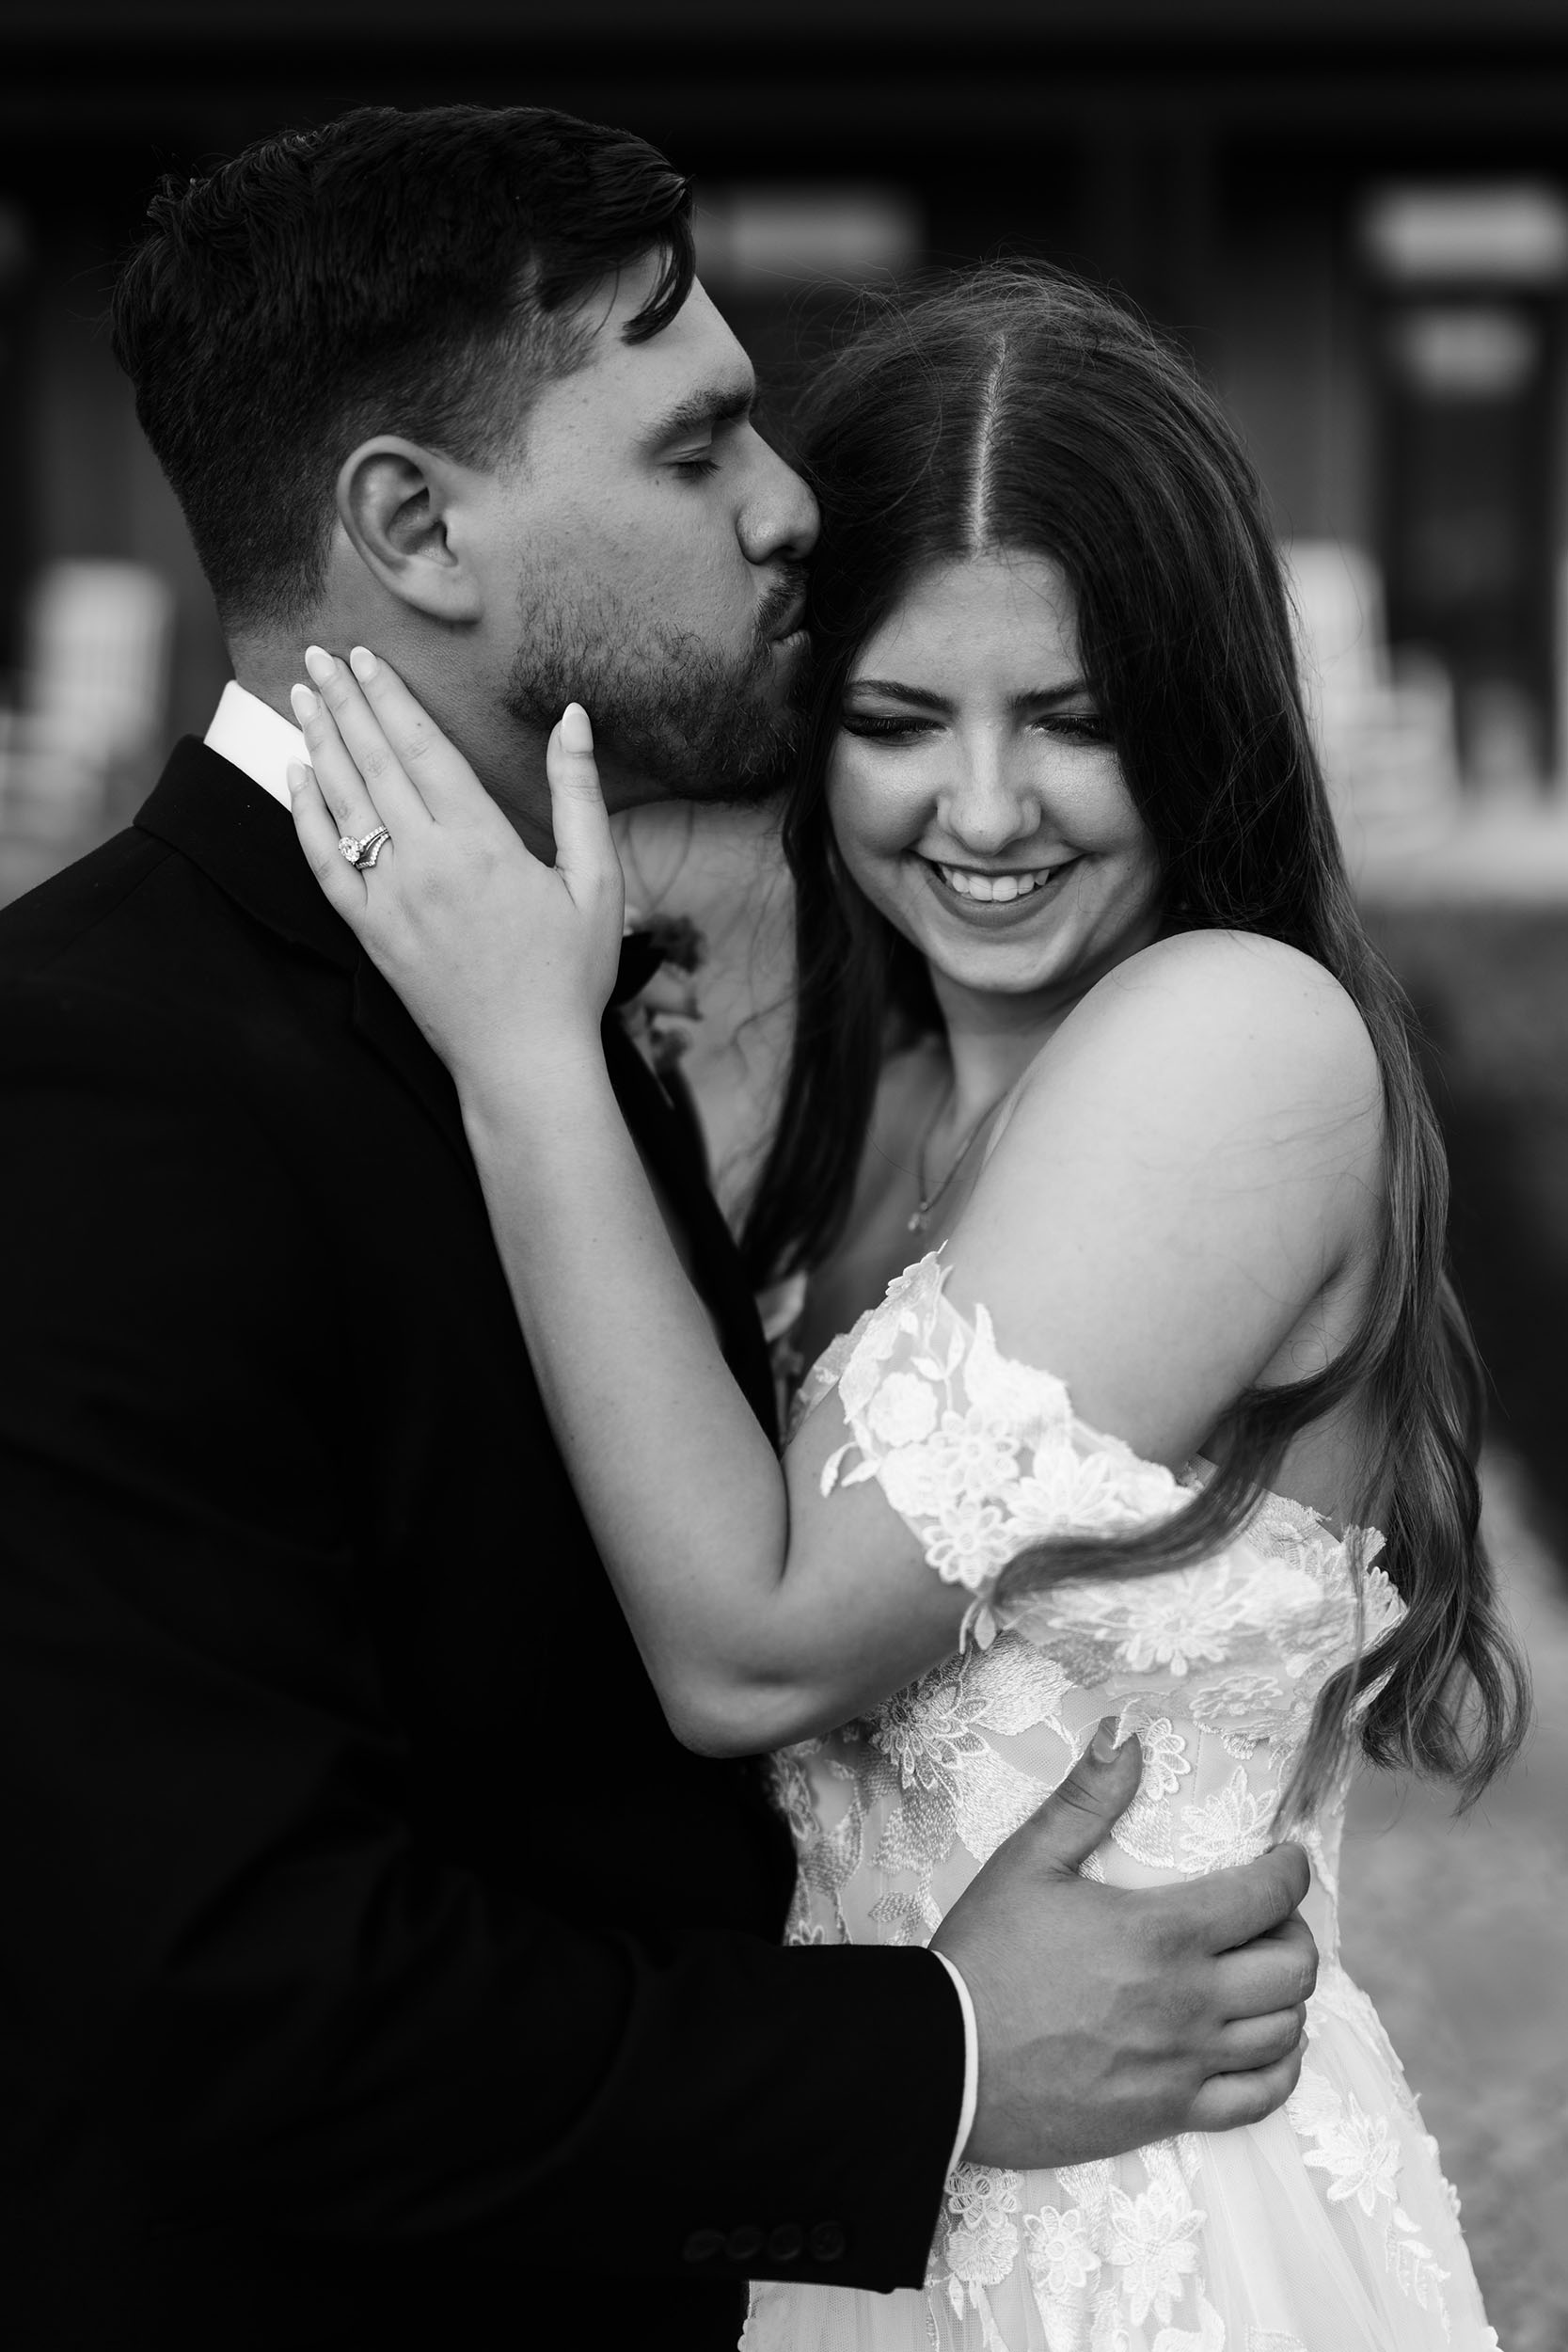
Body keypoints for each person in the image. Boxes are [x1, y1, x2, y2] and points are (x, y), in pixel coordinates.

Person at [0, 115, 1317, 2352]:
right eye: (699, 441)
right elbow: (240, 1987)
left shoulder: (540, 993)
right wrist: (939, 2055)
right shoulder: (89, 1078)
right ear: (413, 522)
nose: (794, 501)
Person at [282, 266, 1525, 2349]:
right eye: (895, 719)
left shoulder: (1240, 1042)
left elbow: (754, 1642)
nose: (978, 810)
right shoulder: (881, 1113)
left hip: (1155, 2245)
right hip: (867, 2202)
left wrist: (520, 1054)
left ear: (1197, 712)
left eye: (1070, 718)